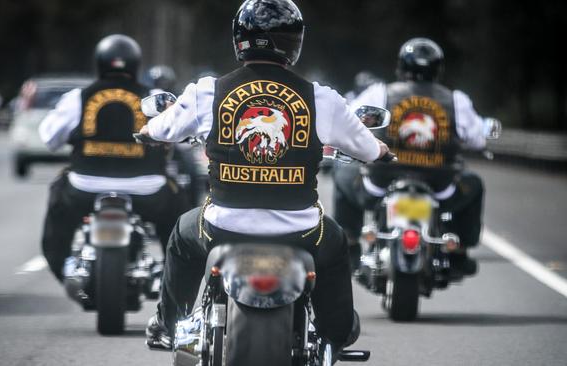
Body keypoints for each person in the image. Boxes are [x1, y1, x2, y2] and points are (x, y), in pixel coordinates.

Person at [140, 0, 390, 358]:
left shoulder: (208, 92)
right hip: (301, 230)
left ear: (239, 39)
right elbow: (367, 149)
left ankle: (168, 325)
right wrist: (382, 151)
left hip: (223, 226)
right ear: (295, 42)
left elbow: (161, 128)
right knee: (335, 245)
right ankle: (337, 331)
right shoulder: (321, 99)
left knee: (182, 233)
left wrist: (147, 132)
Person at [38, 34, 189, 282]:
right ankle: (172, 277)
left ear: (99, 62)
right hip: (148, 189)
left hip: (84, 187)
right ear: (135, 64)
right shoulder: (154, 96)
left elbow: (49, 138)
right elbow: (178, 131)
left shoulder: (79, 97)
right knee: (180, 214)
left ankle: (64, 268)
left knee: (58, 205)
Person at [335, 37, 487, 275]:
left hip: (382, 180)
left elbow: (351, 121)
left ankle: (350, 244)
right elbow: (477, 138)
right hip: (439, 184)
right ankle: (459, 254)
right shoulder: (456, 100)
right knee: (474, 184)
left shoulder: (380, 93)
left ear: (401, 66)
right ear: (438, 68)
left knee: (341, 173)